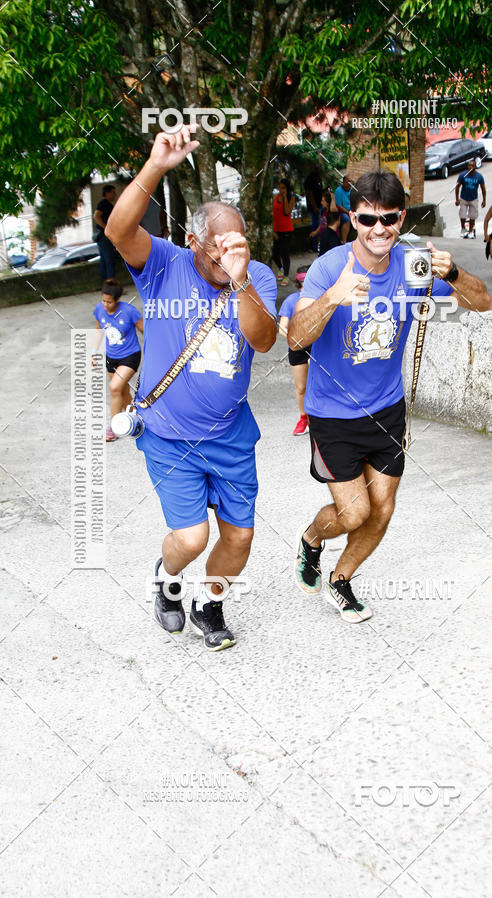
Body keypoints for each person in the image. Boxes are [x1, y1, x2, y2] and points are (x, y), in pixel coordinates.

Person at [287, 170, 490, 623]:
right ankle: (311, 539)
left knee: (382, 509)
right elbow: (297, 338)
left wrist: (454, 272)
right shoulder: (328, 268)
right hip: (333, 414)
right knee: (354, 512)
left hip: (387, 410)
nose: (379, 229)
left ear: (402, 217)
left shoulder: (414, 264)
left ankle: (341, 580)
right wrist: (333, 298)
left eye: (390, 218)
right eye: (367, 219)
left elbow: (481, 303)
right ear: (352, 219)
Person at [104, 126, 277, 651]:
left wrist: (242, 277)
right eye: (218, 249)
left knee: (239, 538)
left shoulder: (257, 278)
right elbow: (117, 230)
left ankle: (210, 604)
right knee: (191, 538)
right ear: (192, 241)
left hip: (230, 436)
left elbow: (264, 340)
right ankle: (168, 579)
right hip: (169, 435)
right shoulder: (162, 266)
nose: (227, 257)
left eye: (237, 245)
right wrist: (156, 166)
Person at [92, 278, 143, 442]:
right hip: (111, 356)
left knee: (114, 388)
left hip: (130, 356)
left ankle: (114, 427)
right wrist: (94, 352)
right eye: (103, 300)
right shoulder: (99, 309)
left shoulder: (129, 311)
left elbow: (146, 331)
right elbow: (99, 330)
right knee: (122, 391)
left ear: (118, 299)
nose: (105, 305)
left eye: (109, 302)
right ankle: (135, 418)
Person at [278, 275, 312, 436]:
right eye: (302, 283)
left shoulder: (320, 296)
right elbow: (282, 327)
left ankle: (322, 417)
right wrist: (294, 336)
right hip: (297, 346)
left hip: (318, 345)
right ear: (298, 283)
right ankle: (303, 418)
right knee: (301, 387)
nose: (304, 286)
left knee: (321, 382)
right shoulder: (291, 300)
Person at [455, 160, 486, 238]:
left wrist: (484, 200)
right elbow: (457, 187)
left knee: (472, 216)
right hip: (463, 198)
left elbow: (483, 188)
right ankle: (463, 229)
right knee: (463, 215)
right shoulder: (463, 175)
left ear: (475, 167)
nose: (470, 167)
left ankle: (471, 231)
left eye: (472, 166)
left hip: (473, 199)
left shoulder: (479, 176)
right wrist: (457, 199)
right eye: (469, 165)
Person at [272, 178, 294, 285]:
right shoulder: (275, 198)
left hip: (287, 230)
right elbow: (273, 214)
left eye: (283, 188)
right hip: (277, 229)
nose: (281, 190)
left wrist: (285, 197)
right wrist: (273, 230)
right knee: (275, 254)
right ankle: (280, 268)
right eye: (280, 187)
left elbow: (287, 211)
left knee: (284, 253)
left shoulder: (291, 198)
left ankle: (286, 275)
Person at [94, 185, 117, 281]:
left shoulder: (108, 204)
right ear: (107, 193)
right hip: (104, 236)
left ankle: (106, 284)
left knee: (104, 260)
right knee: (109, 260)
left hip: (104, 235)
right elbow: (96, 216)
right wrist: (105, 228)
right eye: (113, 192)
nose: (115, 195)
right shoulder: (103, 203)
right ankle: (111, 284)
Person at [304, 160, 323, 252]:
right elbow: (310, 194)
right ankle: (313, 246)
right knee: (315, 226)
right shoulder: (310, 179)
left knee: (319, 225)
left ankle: (318, 244)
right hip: (314, 207)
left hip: (320, 204)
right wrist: (315, 206)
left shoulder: (318, 178)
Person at [334, 175, 353, 244]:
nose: (350, 183)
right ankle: (344, 241)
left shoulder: (352, 190)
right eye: (348, 181)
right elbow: (339, 206)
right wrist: (348, 213)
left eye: (351, 181)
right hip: (342, 212)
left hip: (352, 210)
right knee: (346, 219)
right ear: (344, 182)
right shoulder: (338, 191)